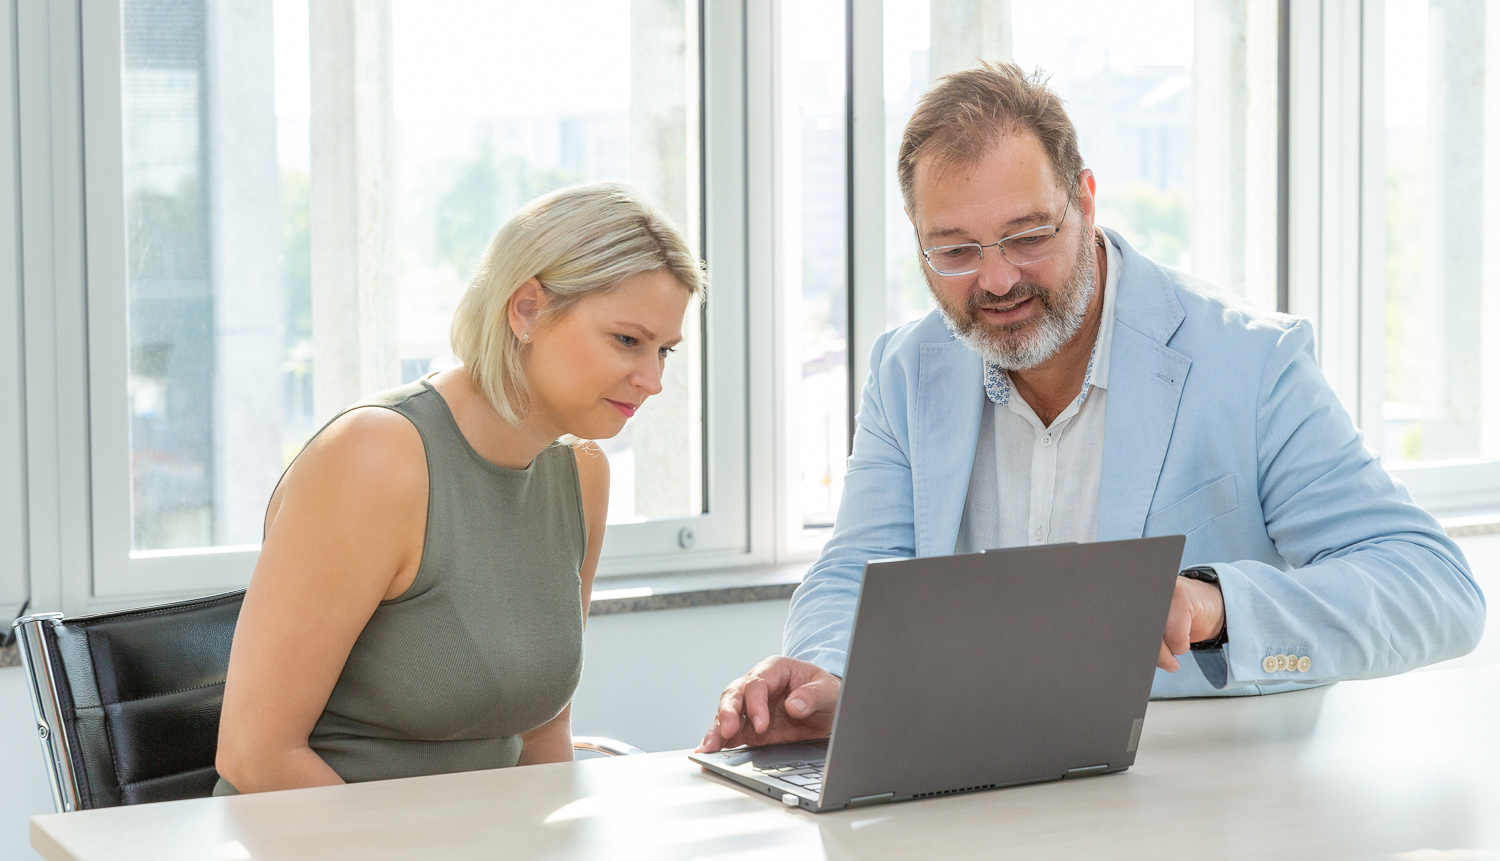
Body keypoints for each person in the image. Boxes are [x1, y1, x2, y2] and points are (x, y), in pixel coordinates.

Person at [698, 63, 1484, 753]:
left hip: (1202, 800)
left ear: (1086, 201)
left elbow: (1434, 589)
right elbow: (855, 571)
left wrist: (1212, 603)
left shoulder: (1250, 362)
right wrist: (827, 677)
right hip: (968, 781)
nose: (998, 280)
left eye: (1028, 234)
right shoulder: (907, 369)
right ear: (918, 242)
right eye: (956, 251)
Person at [216, 182, 704, 793]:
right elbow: (256, 756)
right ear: (526, 309)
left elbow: (543, 735)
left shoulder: (581, 471)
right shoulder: (376, 457)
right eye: (628, 341)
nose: (652, 380)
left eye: (666, 351)